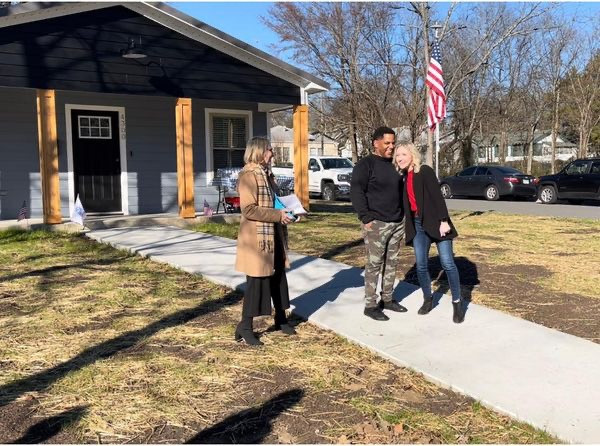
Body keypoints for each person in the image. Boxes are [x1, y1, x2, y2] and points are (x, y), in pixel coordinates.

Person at [234, 136, 296, 345]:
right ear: (259, 152)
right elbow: (249, 209)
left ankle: (281, 318)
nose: (272, 154)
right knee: (256, 283)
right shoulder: (248, 176)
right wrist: (278, 215)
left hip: (274, 235)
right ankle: (245, 326)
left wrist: (291, 211)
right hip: (256, 240)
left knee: (278, 276)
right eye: (270, 150)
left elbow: (275, 203)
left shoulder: (268, 175)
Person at [394, 143, 465, 323]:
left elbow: (437, 196)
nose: (399, 158)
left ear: (412, 155)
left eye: (403, 154)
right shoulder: (403, 177)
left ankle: (457, 303)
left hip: (437, 222)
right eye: (397, 155)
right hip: (418, 225)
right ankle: (428, 299)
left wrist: (443, 221)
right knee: (421, 265)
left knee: (448, 263)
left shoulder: (424, 171)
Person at [350, 127, 406, 321]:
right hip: (376, 224)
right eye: (387, 143)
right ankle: (370, 304)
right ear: (376, 143)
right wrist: (365, 218)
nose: (391, 147)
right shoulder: (365, 165)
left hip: (397, 222)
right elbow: (356, 192)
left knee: (392, 263)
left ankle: (388, 299)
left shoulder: (396, 164)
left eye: (393, 143)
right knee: (374, 265)